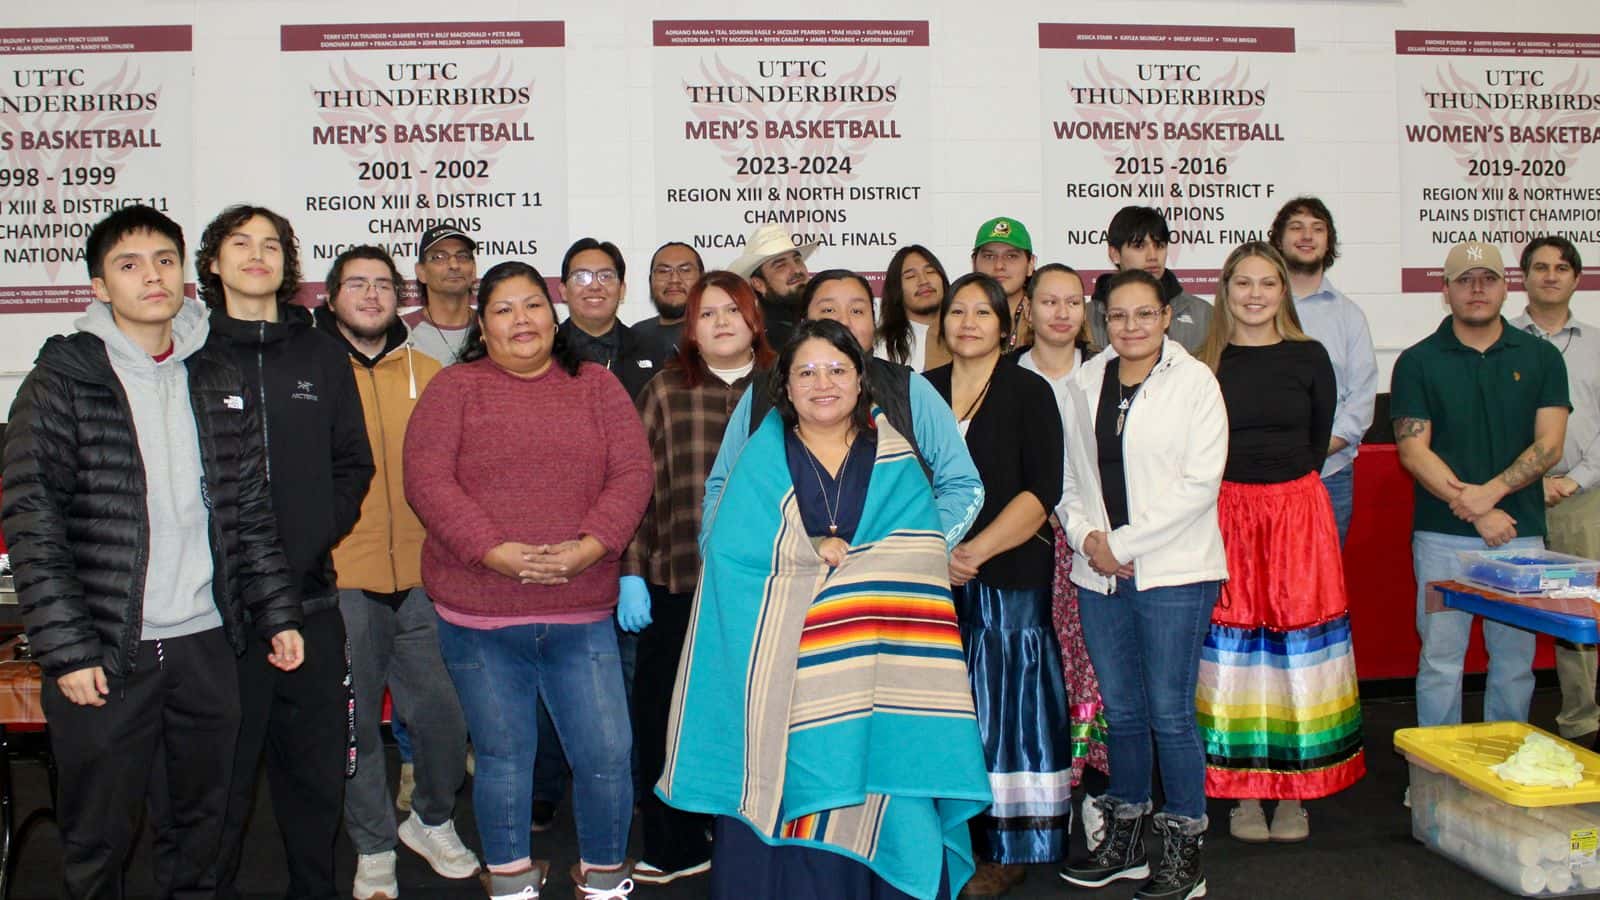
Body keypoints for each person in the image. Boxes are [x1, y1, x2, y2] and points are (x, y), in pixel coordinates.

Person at [2, 205, 305, 900]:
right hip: (108, 650)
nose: (152, 276)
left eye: (165, 261)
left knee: (202, 832)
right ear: (100, 286)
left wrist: (278, 613)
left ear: (185, 275)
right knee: (99, 838)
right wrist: (69, 650)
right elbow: (33, 525)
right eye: (129, 265)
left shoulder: (217, 373)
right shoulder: (59, 381)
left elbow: (249, 512)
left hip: (206, 645)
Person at [657, 318, 993, 900]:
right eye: (806, 372)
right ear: (785, 387)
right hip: (780, 678)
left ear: (861, 379)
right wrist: (803, 552)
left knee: (882, 790)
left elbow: (919, 552)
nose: (823, 383)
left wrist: (859, 572)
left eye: (837, 369)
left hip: (876, 670)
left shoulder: (894, 458)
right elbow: (730, 554)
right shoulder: (760, 460)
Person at [403, 260, 652, 900]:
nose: (522, 319)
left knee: (606, 754)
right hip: (480, 616)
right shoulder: (454, 389)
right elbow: (427, 481)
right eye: (504, 309)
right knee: (503, 756)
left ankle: (604, 876)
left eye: (533, 305)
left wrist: (589, 549)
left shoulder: (597, 386)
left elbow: (632, 474)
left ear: (554, 314)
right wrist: (494, 553)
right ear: (482, 326)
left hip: (582, 610)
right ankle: (511, 879)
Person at [198, 204, 375, 900]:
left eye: (270, 244)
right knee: (219, 789)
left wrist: (304, 540)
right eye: (240, 243)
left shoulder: (322, 354)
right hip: (216, 617)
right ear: (214, 263)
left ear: (287, 263)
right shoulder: (190, 355)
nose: (256, 255)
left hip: (311, 602)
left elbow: (352, 464)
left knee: (314, 784)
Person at [1057, 268, 1227, 900]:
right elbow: (1068, 480)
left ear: (1166, 317)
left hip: (1174, 572)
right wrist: (1088, 540)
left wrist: (1122, 545)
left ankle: (1185, 855)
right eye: (1118, 316)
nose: (1131, 326)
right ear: (1103, 321)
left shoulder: (1195, 382)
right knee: (1122, 711)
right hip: (1098, 575)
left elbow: (1199, 484)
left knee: (1169, 713)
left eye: (1144, 314)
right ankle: (1125, 845)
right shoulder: (1083, 381)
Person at [315, 245, 477, 897]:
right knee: (354, 726)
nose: (371, 294)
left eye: (383, 284)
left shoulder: (433, 374)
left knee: (444, 717)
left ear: (399, 295)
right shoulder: (312, 375)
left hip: (424, 577)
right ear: (331, 298)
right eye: (357, 284)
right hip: (343, 579)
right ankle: (373, 844)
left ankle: (431, 819)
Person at [1194, 242, 1365, 843]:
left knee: (1299, 647)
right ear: (1226, 290)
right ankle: (1243, 792)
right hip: (1227, 513)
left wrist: (1283, 497)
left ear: (1283, 292)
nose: (1255, 295)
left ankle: (1297, 790)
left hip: (1297, 513)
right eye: (1243, 283)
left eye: (1268, 283)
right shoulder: (1204, 362)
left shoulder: (1310, 355)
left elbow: (1318, 441)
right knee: (1235, 649)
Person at [621, 270, 775, 886]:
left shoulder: (787, 386)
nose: (720, 323)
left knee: (754, 717)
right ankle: (673, 843)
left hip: (768, 588)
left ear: (754, 319)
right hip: (678, 582)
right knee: (666, 715)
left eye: (731, 311)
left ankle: (754, 838)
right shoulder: (665, 390)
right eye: (706, 314)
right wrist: (632, 571)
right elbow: (633, 486)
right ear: (691, 328)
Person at [925, 273, 1069, 897]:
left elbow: (1042, 491)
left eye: (982, 312)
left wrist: (973, 551)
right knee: (942, 711)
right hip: (931, 578)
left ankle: (1007, 847)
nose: (968, 323)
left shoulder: (1029, 391)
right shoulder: (921, 391)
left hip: (1007, 573)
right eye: (957, 311)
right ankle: (942, 839)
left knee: (1006, 713)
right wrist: (937, 555)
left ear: (1006, 328)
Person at [1392, 240, 1569, 729]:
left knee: (1514, 665)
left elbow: (1550, 445)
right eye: (1465, 281)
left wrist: (1488, 497)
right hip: (1441, 540)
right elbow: (1413, 450)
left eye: (1488, 279)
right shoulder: (1418, 361)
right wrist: (1477, 509)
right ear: (1445, 291)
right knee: (1440, 663)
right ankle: (1434, 769)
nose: (1477, 289)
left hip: (1520, 537)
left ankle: (1504, 762)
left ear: (1506, 288)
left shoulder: (1541, 357)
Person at [705, 271, 984, 556]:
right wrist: (721, 556)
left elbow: (962, 485)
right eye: (828, 310)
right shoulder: (762, 393)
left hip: (889, 575)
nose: (843, 321)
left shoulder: (908, 388)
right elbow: (722, 488)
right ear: (803, 323)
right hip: (782, 572)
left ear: (874, 322)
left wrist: (919, 550)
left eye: (857, 311)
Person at [1011, 264, 1110, 821]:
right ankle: (1048, 789)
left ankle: (1096, 791)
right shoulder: (1006, 374)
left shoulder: (1104, 373)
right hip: (1022, 547)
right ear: (1027, 307)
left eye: (1073, 301)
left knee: (1091, 669)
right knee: (1038, 669)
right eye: (1049, 301)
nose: (1062, 312)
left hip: (1091, 546)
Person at [1512, 237, 1600, 747]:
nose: (1550, 275)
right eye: (1540, 267)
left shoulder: (1596, 344)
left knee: (1579, 612)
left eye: (1561, 268)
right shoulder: (1502, 340)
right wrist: (1530, 480)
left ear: (1576, 279)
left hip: (1581, 497)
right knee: (1513, 610)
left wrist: (1575, 479)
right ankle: (1511, 722)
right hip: (1514, 497)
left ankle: (1581, 724)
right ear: (1523, 277)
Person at [1269, 197, 1378, 544]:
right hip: (1261, 476)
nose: (1307, 236)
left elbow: (1361, 401)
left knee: (1324, 574)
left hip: (1329, 475)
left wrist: (1312, 452)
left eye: (1317, 229)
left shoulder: (1349, 316)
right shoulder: (1256, 309)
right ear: (1278, 240)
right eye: (1296, 227)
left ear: (1328, 242)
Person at [1087, 206, 1212, 353]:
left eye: (1159, 245)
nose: (1153, 256)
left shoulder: (1203, 314)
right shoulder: (1087, 317)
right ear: (1115, 254)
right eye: (1139, 246)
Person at [557, 237, 657, 399]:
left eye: (606, 276)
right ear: (563, 291)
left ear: (622, 289)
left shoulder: (653, 350)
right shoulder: (545, 351)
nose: (595, 286)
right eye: (581, 277)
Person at [728, 222, 818, 348]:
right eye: (781, 265)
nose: (797, 270)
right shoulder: (763, 342)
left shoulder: (812, 321)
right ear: (758, 284)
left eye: (797, 260)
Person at [402, 224, 478, 366]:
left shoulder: (492, 327)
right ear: (421, 272)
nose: (454, 265)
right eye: (439, 257)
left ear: (473, 270)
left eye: (462, 256)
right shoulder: (401, 331)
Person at [879, 244, 953, 370]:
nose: (924, 281)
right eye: (911, 276)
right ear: (896, 289)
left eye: (930, 272)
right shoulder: (883, 347)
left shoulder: (965, 332)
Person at [630, 241, 705, 363]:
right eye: (663, 271)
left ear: (702, 278)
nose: (674, 279)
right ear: (650, 281)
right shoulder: (635, 335)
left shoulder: (718, 331)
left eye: (685, 270)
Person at [970, 218, 1037, 348]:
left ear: (1030, 264)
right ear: (974, 263)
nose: (999, 266)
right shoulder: (954, 318)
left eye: (1011, 256)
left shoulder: (1047, 317)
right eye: (989, 256)